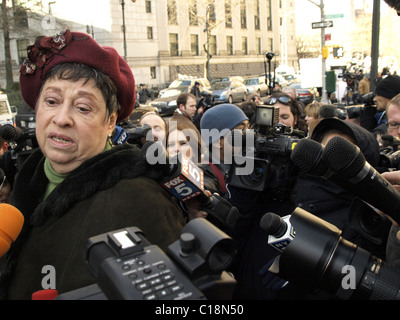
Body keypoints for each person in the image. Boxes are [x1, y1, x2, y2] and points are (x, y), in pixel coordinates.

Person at [0, 28, 186, 300]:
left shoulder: (142, 200)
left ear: (110, 122)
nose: (62, 118)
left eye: (83, 108)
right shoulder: (23, 183)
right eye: (51, 101)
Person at [199, 103, 249, 196]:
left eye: (248, 127)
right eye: (241, 130)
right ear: (217, 142)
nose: (249, 136)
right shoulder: (205, 175)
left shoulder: (246, 159)